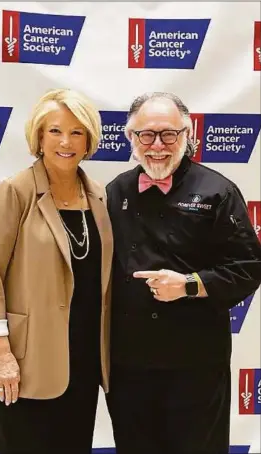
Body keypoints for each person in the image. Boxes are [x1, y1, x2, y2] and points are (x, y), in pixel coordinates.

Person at [106, 92, 261, 454]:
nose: (157, 146)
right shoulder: (116, 191)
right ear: (131, 138)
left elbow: (249, 266)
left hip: (196, 363)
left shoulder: (218, 191)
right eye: (146, 135)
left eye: (168, 134)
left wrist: (190, 285)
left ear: (187, 135)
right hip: (129, 364)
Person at [0, 88, 113, 454]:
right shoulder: (14, 191)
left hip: (82, 359)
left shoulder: (99, 196)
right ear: (38, 136)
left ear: (89, 141)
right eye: (55, 131)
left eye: (77, 132)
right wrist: (1, 355)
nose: (66, 142)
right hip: (25, 359)